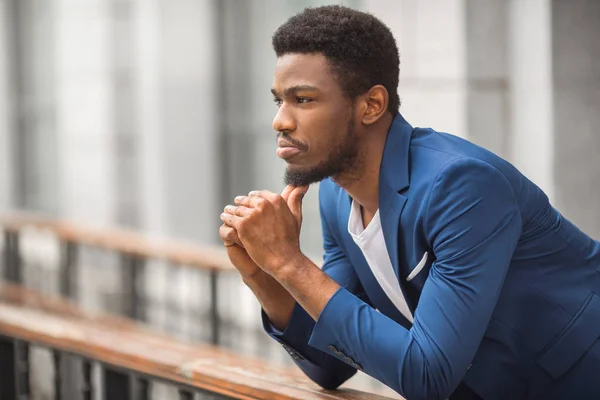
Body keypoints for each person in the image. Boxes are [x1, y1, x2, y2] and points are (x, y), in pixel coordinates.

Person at [218, 5, 600, 400]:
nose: (280, 120)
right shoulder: (336, 194)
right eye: (278, 100)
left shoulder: (461, 186)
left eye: (303, 99)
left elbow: (427, 376)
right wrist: (263, 275)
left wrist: (288, 262)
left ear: (371, 105)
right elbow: (329, 364)